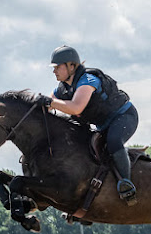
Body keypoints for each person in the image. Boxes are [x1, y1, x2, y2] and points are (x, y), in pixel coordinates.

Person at [36, 45, 139, 204]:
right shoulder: (61, 90)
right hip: (103, 126)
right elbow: (50, 105)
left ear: (71, 66)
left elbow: (76, 107)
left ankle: (127, 183)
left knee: (113, 141)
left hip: (124, 116)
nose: (54, 71)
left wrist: (50, 102)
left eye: (57, 67)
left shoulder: (89, 80)